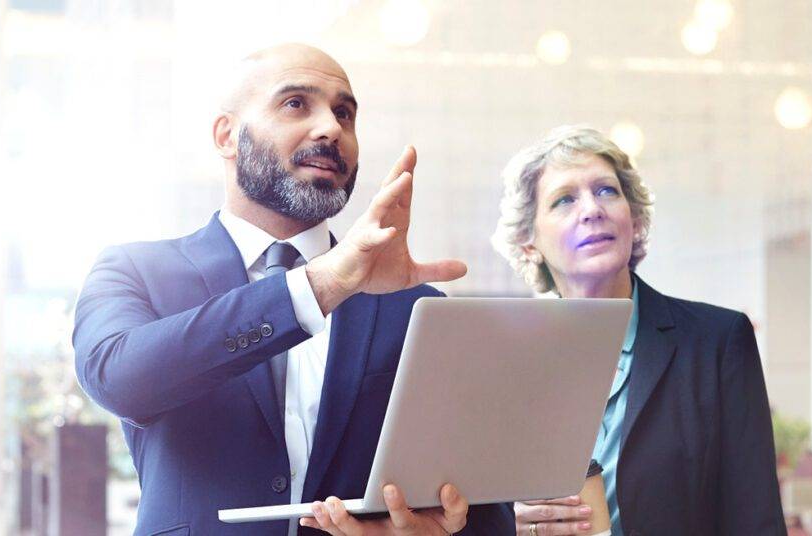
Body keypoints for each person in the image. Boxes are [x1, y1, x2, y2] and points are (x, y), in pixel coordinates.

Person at [73, 43, 513, 536]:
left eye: (344, 113)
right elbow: (120, 380)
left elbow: (485, 510)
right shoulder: (135, 270)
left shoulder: (418, 308)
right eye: (296, 104)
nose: (330, 128)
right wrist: (322, 284)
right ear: (227, 135)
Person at [492, 125, 786, 536]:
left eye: (607, 191)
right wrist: (503, 523)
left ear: (634, 218)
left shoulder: (718, 341)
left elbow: (756, 520)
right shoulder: (503, 359)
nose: (592, 208)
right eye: (564, 199)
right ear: (529, 243)